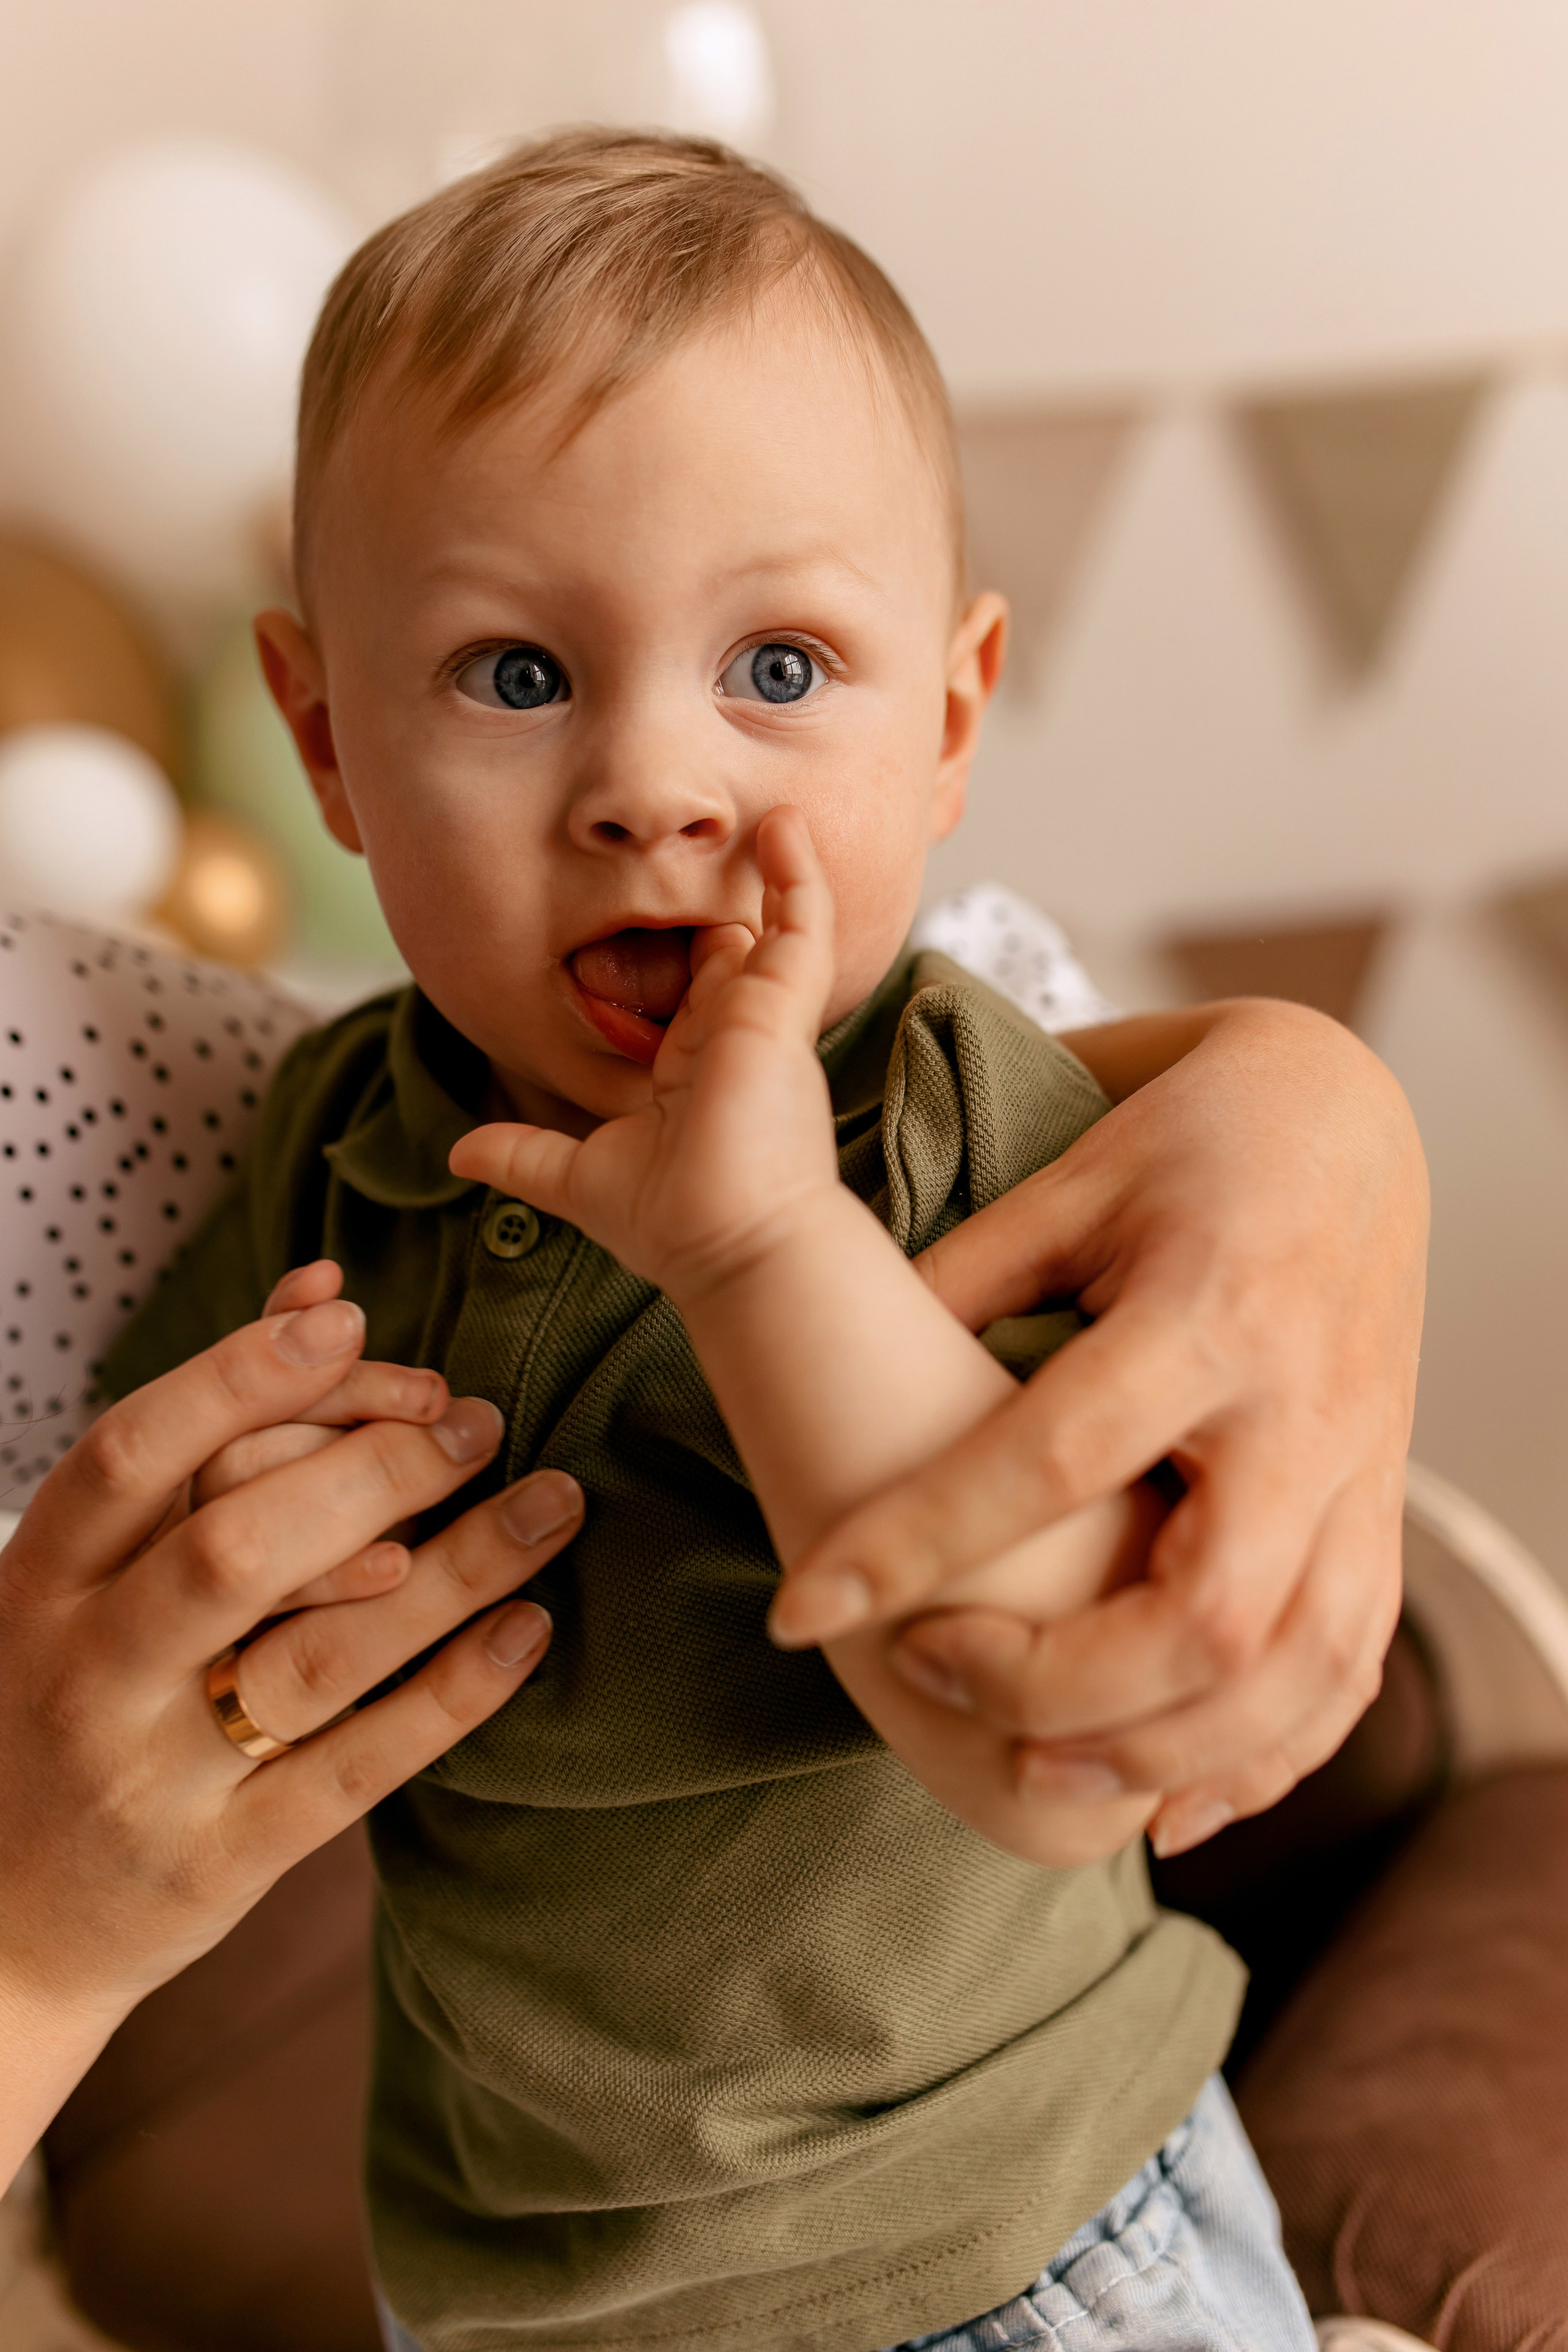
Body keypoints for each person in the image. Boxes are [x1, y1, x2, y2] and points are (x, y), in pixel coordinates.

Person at [76, 128, 1430, 2352]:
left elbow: (1037, 1727)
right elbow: (131, 1556)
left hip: (1002, 2257)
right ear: (324, 743)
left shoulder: (943, 1115)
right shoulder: (337, 1142)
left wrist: (761, 1240)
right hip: (521, 2292)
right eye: (516, 676)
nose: (651, 783)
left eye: (779, 667)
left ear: (950, 725)